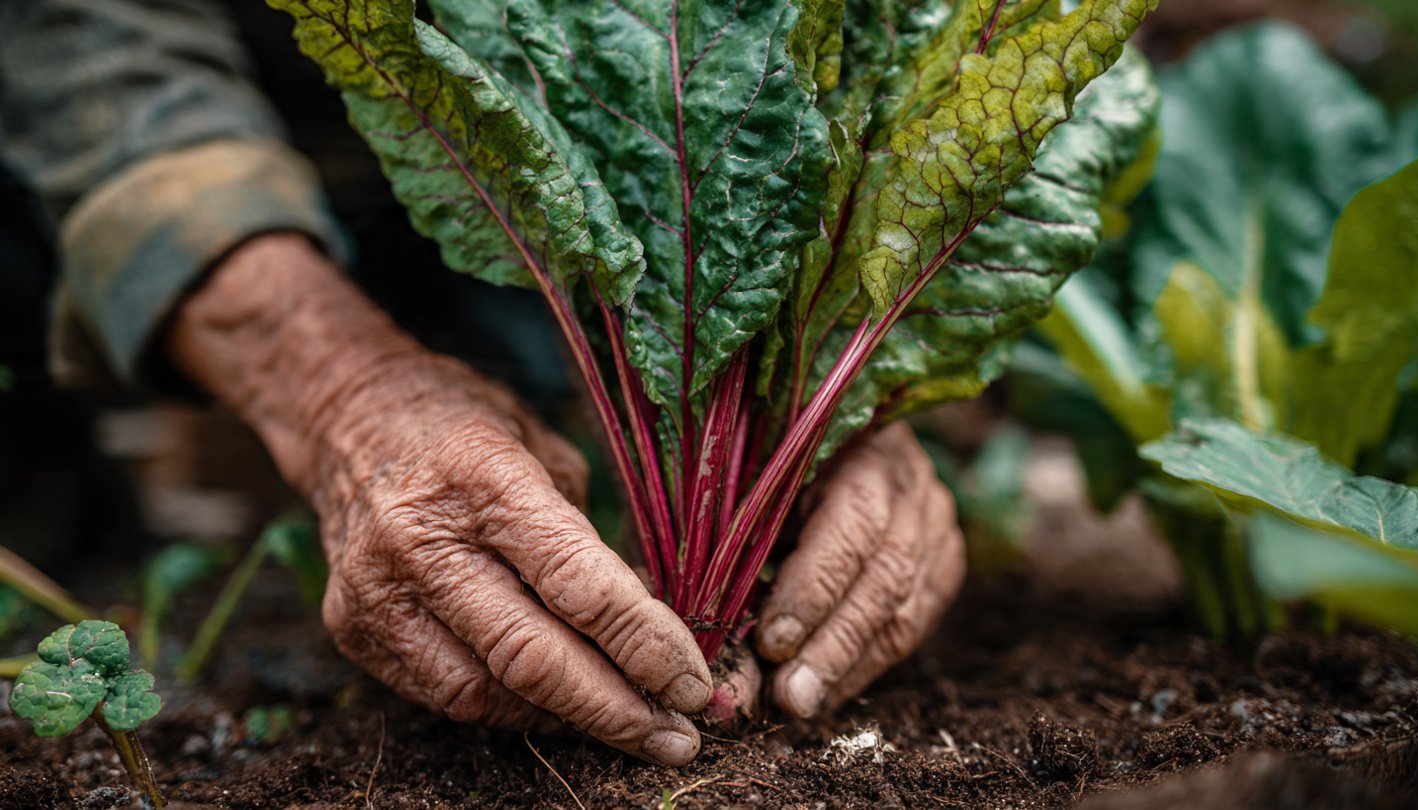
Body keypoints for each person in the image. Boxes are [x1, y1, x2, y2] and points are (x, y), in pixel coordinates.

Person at [0, 0, 965, 766]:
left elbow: (827, 93)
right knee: (63, 526)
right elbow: (91, 54)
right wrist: (344, 397)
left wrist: (825, 390)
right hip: (250, 144)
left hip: (527, 199)